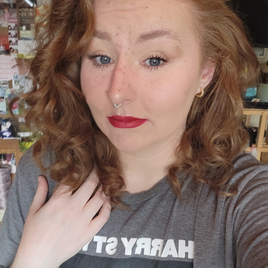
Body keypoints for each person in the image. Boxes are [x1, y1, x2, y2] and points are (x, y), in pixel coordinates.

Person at [0, 0, 267, 267]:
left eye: (154, 60)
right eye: (101, 57)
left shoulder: (243, 195)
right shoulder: (43, 173)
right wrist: (32, 260)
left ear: (205, 71)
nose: (117, 92)